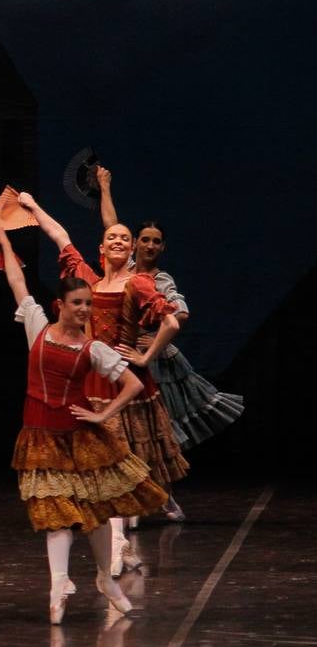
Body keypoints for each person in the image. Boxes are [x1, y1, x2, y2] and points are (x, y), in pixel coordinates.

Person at [0, 226, 166, 623]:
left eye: (89, 303)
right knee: (57, 515)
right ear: (61, 305)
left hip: (81, 438)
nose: (86, 310)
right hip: (41, 435)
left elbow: (133, 382)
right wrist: (4, 243)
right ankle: (59, 583)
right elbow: (16, 280)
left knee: (99, 513)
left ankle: (106, 578)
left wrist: (103, 414)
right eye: (78, 304)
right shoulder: (37, 326)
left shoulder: (94, 348)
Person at [20, 191, 186, 564]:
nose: (118, 240)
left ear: (131, 250)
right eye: (112, 236)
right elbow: (61, 238)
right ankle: (117, 542)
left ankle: (122, 537)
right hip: (91, 382)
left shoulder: (139, 283)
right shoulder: (88, 283)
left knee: (123, 464)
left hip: (124, 381)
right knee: (101, 465)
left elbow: (172, 320)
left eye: (125, 238)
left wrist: (145, 354)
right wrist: (33, 209)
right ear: (101, 246)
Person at [96, 167, 244, 477]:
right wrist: (104, 186)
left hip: (157, 363)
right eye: (145, 240)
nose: (150, 246)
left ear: (163, 247)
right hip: (124, 355)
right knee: (127, 424)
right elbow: (111, 224)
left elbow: (181, 313)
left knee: (158, 426)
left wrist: (152, 338)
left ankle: (161, 490)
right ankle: (141, 489)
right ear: (135, 243)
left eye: (156, 242)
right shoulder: (127, 268)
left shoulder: (160, 279)